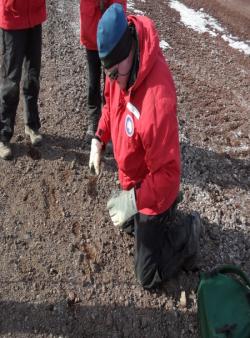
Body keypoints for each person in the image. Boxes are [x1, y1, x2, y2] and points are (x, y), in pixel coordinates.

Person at [89, 3, 202, 289]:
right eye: (109, 74)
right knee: (126, 224)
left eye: (114, 74)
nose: (112, 80)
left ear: (129, 51)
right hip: (135, 180)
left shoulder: (157, 102)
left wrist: (134, 201)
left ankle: (187, 233)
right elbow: (110, 105)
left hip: (154, 186)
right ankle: (151, 218)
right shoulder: (120, 69)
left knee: (147, 276)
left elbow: (168, 176)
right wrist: (99, 138)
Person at [0, 0, 46, 160]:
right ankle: (4, 135)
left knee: (33, 76)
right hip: (12, 18)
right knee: (11, 82)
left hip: (35, 14)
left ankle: (32, 125)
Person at [80, 0, 126, 144]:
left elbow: (119, 6)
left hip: (112, 36)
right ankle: (94, 121)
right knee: (93, 83)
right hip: (92, 33)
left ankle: (111, 124)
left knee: (112, 84)